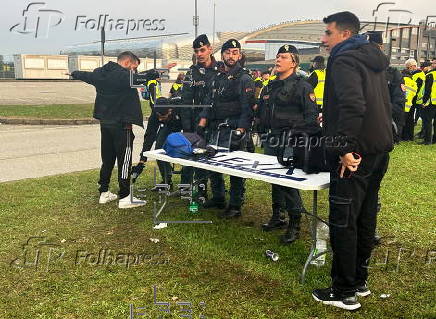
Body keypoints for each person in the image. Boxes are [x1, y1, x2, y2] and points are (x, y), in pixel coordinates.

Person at [312, 12, 393, 311]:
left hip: (355, 153)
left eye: (328, 33)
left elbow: (353, 104)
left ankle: (344, 290)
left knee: (344, 220)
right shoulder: (370, 57)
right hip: (377, 149)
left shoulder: (345, 59)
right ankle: (358, 280)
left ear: (345, 35)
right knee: (364, 216)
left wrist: (344, 147)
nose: (323, 38)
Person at [70, 51, 155, 209]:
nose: (134, 71)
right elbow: (138, 79)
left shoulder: (100, 73)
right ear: (128, 63)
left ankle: (104, 192)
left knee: (107, 158)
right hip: (122, 126)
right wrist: (154, 73)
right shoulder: (123, 76)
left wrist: (74, 73)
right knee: (125, 160)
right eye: (134, 67)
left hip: (105, 124)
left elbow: (86, 76)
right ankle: (125, 196)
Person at [257, 44, 317, 243]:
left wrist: (297, 135)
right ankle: (278, 216)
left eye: (283, 57)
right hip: (272, 137)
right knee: (273, 177)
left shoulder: (303, 86)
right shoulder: (272, 85)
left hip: (291, 140)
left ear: (294, 62)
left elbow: (311, 117)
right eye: (277, 56)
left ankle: (295, 223)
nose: (278, 60)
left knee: (289, 183)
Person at [198, 39, 255, 218]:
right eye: (228, 52)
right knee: (213, 165)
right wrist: (201, 124)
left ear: (240, 55)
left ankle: (236, 205)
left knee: (235, 169)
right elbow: (209, 102)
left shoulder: (244, 78)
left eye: (235, 52)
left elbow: (248, 109)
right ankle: (218, 197)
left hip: (233, 130)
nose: (232, 56)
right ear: (222, 54)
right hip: (215, 128)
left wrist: (242, 131)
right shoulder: (217, 76)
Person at [179, 34, 220, 198]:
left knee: (214, 159)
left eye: (202, 50)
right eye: (197, 51)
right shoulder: (191, 73)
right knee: (194, 157)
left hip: (215, 121)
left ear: (210, 49)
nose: (200, 54)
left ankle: (217, 195)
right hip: (196, 122)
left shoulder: (221, 70)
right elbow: (186, 102)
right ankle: (194, 191)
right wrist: (187, 128)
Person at [402, 59, 425, 141]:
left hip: (414, 99)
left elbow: (415, 89)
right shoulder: (419, 74)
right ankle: (408, 136)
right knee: (410, 119)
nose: (408, 69)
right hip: (415, 99)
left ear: (413, 66)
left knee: (409, 119)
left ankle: (407, 136)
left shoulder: (417, 75)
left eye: (408, 67)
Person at [421, 57, 436, 144]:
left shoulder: (430, 75)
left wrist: (424, 102)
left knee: (427, 121)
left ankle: (427, 140)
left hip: (431, 102)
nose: (433, 65)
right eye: (432, 63)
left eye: (434, 63)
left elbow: (427, 90)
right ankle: (434, 140)